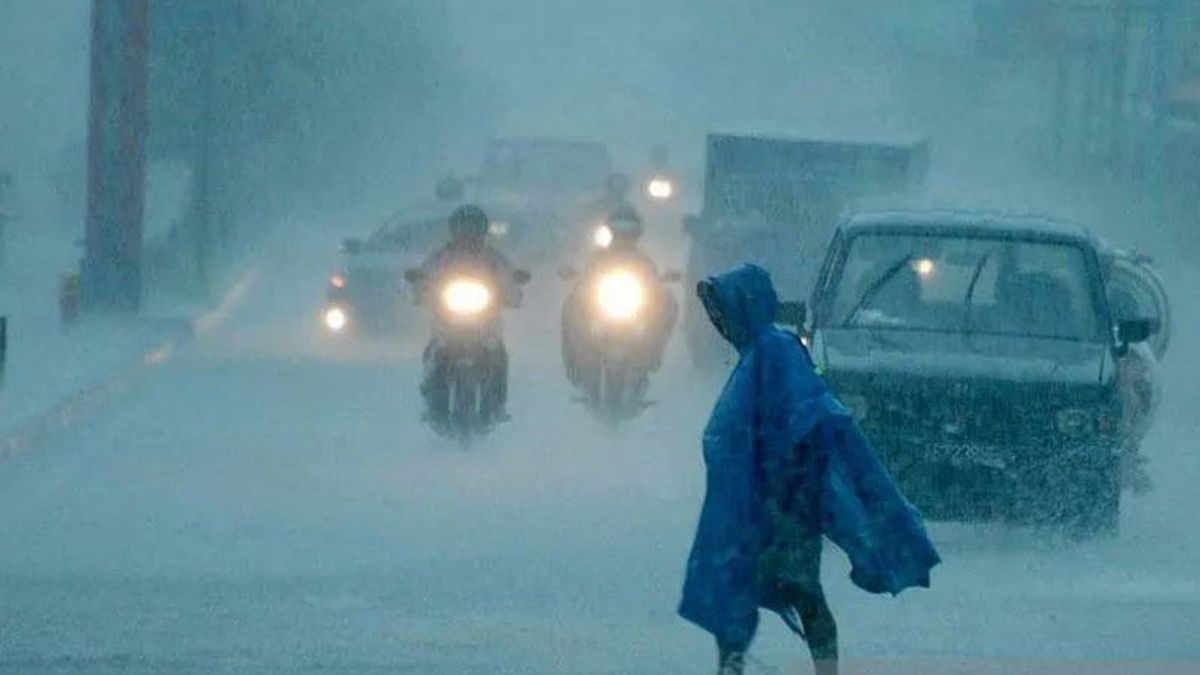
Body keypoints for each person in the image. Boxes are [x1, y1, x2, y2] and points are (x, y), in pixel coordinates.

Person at [679, 264, 941, 675]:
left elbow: (806, 417)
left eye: (724, 312)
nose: (720, 323)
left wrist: (788, 487)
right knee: (740, 585)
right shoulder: (755, 355)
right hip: (752, 501)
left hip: (783, 500)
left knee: (801, 590)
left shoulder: (776, 350)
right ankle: (733, 667)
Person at [413, 205, 520, 425]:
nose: (468, 234)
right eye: (463, 229)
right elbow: (424, 275)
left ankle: (497, 405)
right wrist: (420, 286)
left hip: (485, 322)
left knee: (499, 356)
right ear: (453, 231)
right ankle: (432, 401)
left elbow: (509, 279)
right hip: (447, 320)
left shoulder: (493, 258)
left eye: (473, 229)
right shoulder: (442, 257)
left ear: (482, 231)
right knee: (434, 352)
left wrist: (512, 291)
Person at [561, 206, 677, 389]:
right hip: (600, 307)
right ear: (611, 230)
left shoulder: (642, 260)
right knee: (570, 308)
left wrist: (660, 284)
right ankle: (575, 359)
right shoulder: (598, 257)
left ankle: (653, 351)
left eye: (628, 230)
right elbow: (583, 281)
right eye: (620, 229)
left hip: (635, 308)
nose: (624, 234)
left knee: (669, 303)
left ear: (637, 232)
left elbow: (655, 285)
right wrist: (577, 279)